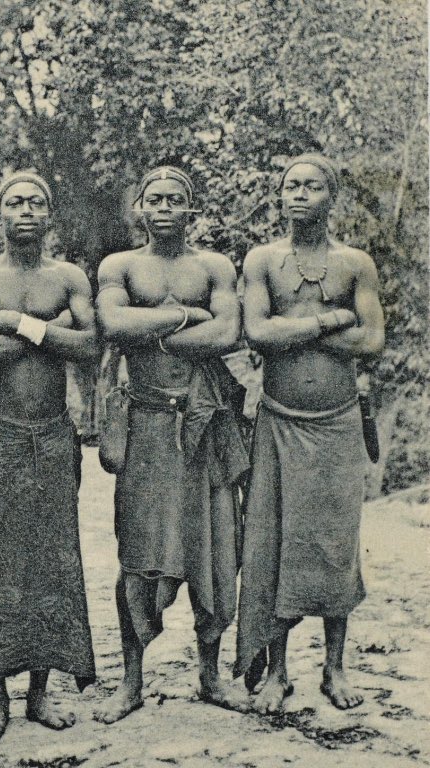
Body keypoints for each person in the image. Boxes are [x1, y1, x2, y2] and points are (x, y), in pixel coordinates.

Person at [94, 166, 249, 724]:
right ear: (139, 207)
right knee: (139, 556)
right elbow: (113, 324)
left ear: (190, 209)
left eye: (174, 199)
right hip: (147, 426)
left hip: (207, 427)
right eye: (153, 199)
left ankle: (210, 675)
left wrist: (154, 330)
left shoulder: (214, 266)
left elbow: (227, 333)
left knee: (215, 551)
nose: (163, 208)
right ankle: (130, 682)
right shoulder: (119, 265)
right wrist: (188, 316)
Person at [234, 153, 385, 713]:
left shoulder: (355, 264)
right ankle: (276, 671)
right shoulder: (262, 261)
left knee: (334, 544)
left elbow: (372, 341)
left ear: (331, 197)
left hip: (339, 424)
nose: (299, 194)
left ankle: (334, 667)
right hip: (278, 421)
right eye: (291, 186)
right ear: (280, 196)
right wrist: (328, 320)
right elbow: (257, 333)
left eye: (312, 186)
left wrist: (291, 328)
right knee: (275, 545)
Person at [0, 171, 97, 741]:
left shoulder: (68, 276)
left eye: (36, 202)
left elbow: (89, 344)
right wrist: (50, 329)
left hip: (54, 434)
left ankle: (39, 691)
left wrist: (19, 323)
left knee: (51, 560)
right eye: (14, 202)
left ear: (49, 213)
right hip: (0, 434)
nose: (26, 211)